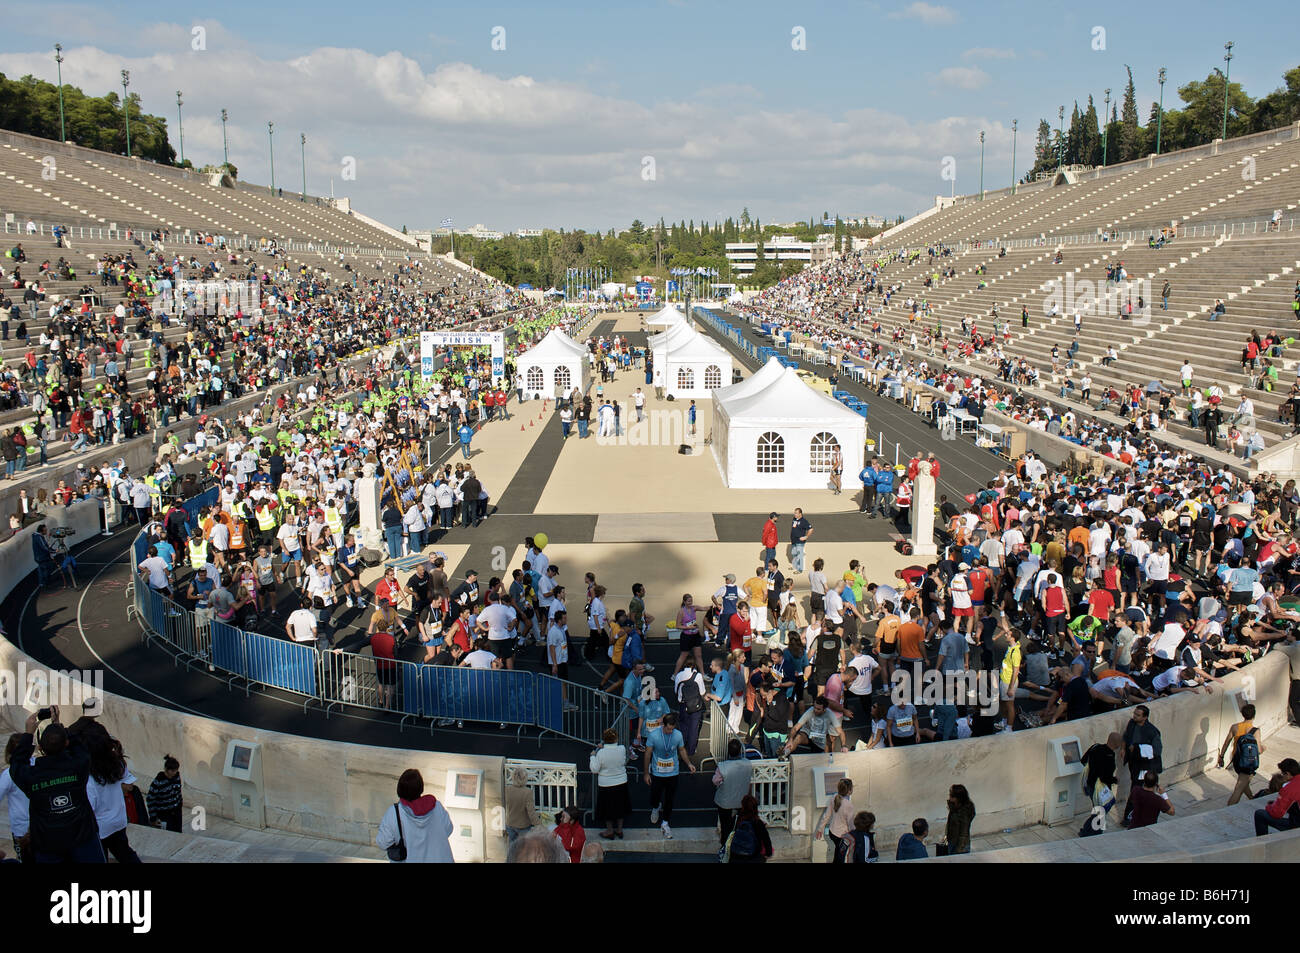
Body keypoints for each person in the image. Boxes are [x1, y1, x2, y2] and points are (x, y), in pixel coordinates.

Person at [6, 708, 105, 863]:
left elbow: (16, 765)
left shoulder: (32, 776)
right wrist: (59, 726)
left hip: (48, 845)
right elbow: (80, 749)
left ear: (41, 747)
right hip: (83, 839)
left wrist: (28, 734)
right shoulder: (79, 766)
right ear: (66, 743)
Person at [375, 768, 455, 863]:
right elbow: (449, 829)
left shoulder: (394, 812)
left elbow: (383, 842)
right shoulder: (436, 806)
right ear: (421, 787)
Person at [644, 712, 695, 840]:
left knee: (670, 798)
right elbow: (647, 754)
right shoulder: (654, 735)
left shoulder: (677, 735)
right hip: (657, 772)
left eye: (672, 729)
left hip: (672, 772)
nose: (669, 731)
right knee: (655, 794)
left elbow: (682, 750)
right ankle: (655, 806)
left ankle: (665, 822)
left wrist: (688, 763)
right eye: (668, 729)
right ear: (663, 725)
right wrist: (646, 773)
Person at [712, 738, 753, 860]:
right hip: (742, 801)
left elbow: (715, 781)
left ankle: (725, 850)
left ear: (728, 751)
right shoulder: (747, 763)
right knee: (740, 826)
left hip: (725, 802)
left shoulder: (723, 766)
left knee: (726, 827)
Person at [1217, 702, 1263, 805]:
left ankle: (1252, 799)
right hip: (1248, 762)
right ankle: (1229, 808)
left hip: (1237, 760)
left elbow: (1226, 743)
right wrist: (1264, 748)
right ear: (1254, 715)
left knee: (1244, 783)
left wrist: (1221, 756)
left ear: (1243, 714)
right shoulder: (1255, 731)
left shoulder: (1234, 727)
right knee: (1239, 787)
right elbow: (1259, 750)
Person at [590, 728, 629, 840]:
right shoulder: (622, 749)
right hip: (621, 782)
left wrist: (593, 756)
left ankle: (609, 831)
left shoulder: (600, 754)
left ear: (604, 739)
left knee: (607, 809)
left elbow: (594, 769)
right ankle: (620, 830)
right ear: (616, 738)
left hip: (606, 784)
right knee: (620, 807)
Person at [1254, 759, 1300, 837]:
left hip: (1297, 826)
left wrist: (1269, 807)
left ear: (1288, 774)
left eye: (1283, 774)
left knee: (1260, 814)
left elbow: (1277, 814)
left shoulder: (1288, 789)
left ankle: (1262, 841)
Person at [726, 794, 773, 863]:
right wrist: (768, 854)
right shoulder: (758, 822)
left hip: (735, 857)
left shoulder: (736, 819)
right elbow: (766, 840)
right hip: (753, 857)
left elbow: (728, 836)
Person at [817, 777, 855, 857]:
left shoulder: (834, 797)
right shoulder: (849, 805)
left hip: (832, 833)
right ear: (849, 791)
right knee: (840, 857)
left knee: (838, 854)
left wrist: (820, 829)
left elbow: (826, 815)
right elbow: (851, 826)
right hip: (842, 836)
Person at [145, 754, 183, 833]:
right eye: (172, 771)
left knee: (178, 832)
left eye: (176, 770)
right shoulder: (158, 782)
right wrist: (153, 818)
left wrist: (179, 804)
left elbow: (178, 792)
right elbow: (150, 799)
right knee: (167, 833)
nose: (174, 773)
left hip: (176, 811)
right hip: (164, 813)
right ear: (166, 769)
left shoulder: (177, 777)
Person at [503, 765, 541, 844]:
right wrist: (539, 825)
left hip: (510, 823)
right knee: (524, 848)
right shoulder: (527, 792)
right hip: (523, 826)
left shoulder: (507, 789)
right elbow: (531, 813)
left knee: (512, 847)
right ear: (524, 779)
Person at [940, 784, 975, 855]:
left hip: (959, 844)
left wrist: (959, 850)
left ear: (958, 798)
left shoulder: (964, 812)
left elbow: (963, 833)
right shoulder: (954, 805)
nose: (949, 797)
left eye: (951, 795)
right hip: (952, 840)